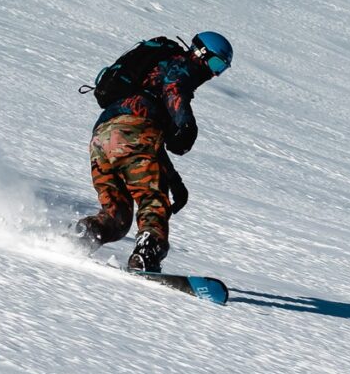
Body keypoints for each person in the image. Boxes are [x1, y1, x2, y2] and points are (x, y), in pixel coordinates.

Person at [76, 31, 234, 273]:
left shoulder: (151, 83)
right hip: (133, 131)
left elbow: (148, 147)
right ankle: (146, 256)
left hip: (102, 139)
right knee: (153, 201)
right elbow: (173, 89)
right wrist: (186, 124)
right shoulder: (182, 65)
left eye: (221, 69)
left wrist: (175, 181)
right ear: (200, 53)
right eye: (215, 64)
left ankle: (79, 238)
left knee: (117, 218)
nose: (214, 73)